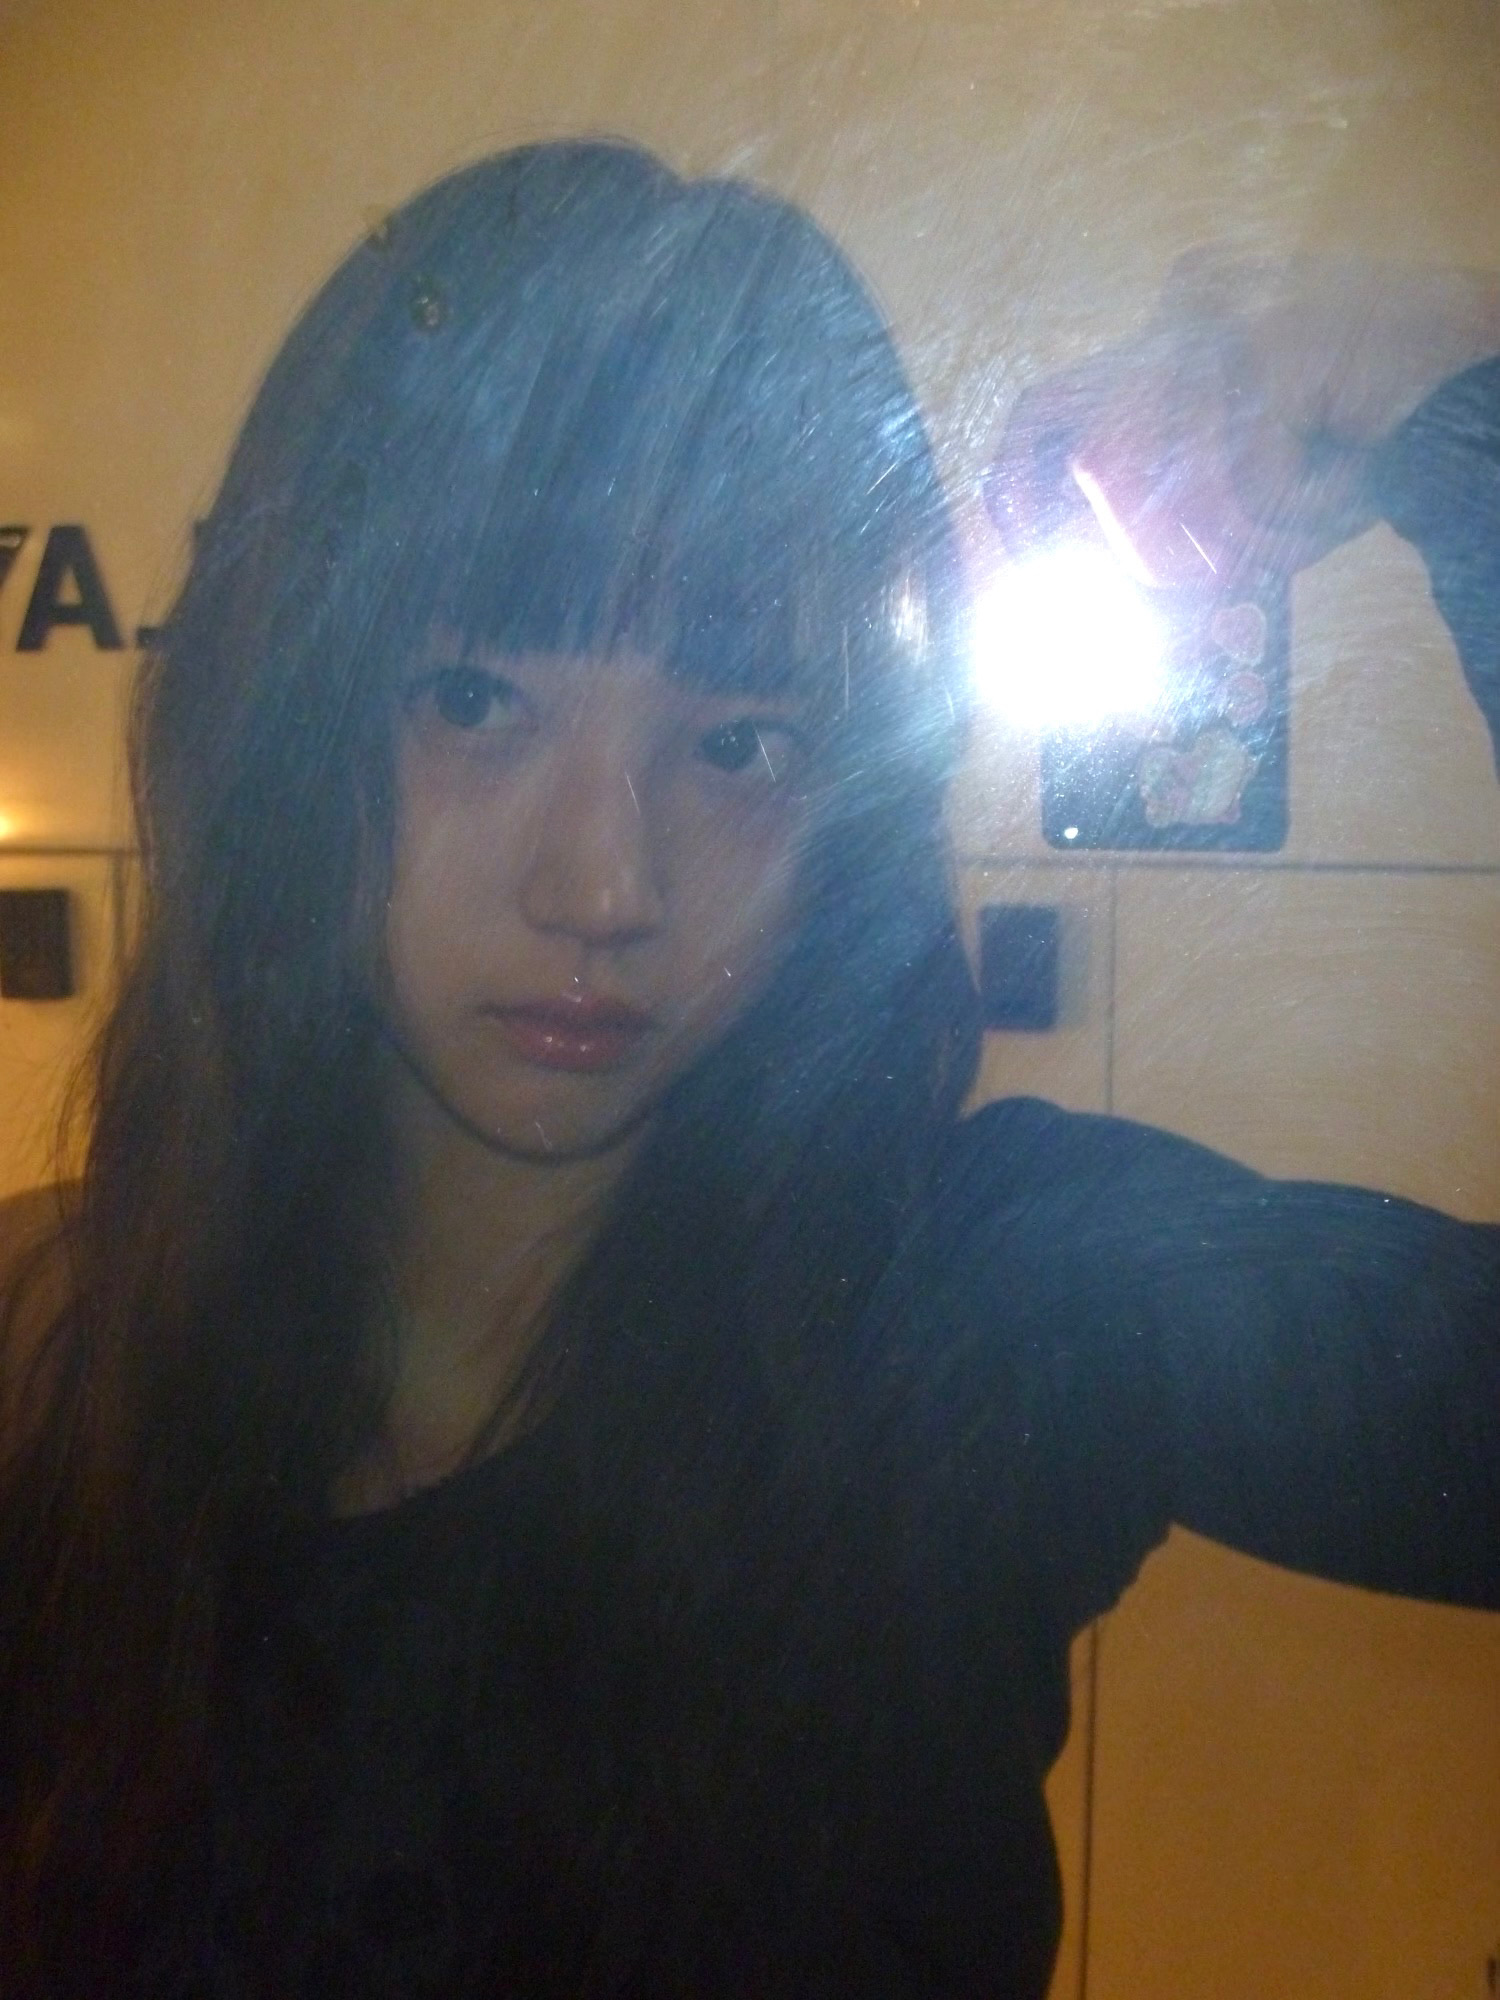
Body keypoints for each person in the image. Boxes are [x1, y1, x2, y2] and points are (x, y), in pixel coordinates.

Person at [0, 138, 1495, 2000]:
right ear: (288, 729)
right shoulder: (54, 1347)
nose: (605, 886)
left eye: (738, 745)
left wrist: (1451, 393)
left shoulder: (990, 1311)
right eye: (475, 701)